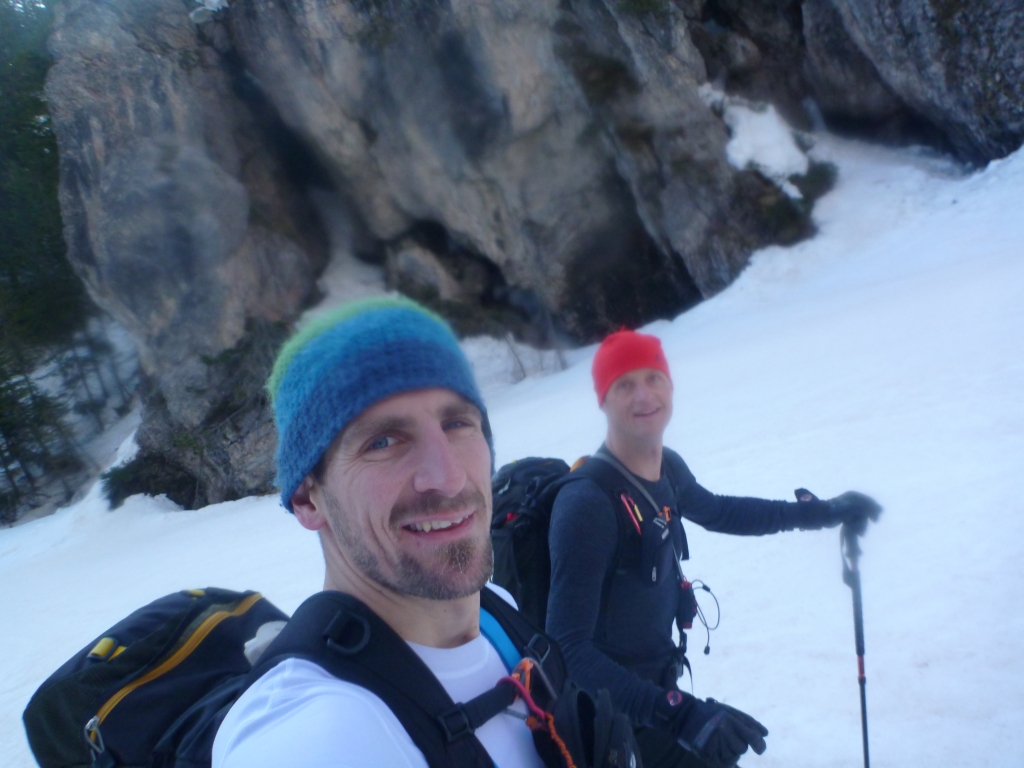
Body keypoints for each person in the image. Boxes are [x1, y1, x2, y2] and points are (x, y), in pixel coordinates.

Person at [213, 297, 564, 768]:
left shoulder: (498, 615)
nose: (448, 477)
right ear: (306, 499)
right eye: (382, 441)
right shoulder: (316, 737)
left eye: (457, 422)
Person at [546, 329, 882, 768]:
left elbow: (721, 512)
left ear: (670, 386)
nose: (644, 395)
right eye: (624, 384)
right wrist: (676, 713)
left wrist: (821, 512)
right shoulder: (586, 504)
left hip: (654, 699)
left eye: (653, 378)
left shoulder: (666, 468)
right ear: (603, 401)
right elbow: (566, 646)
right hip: (606, 719)